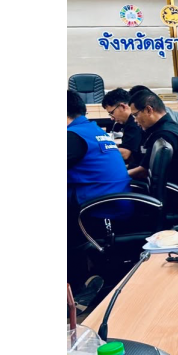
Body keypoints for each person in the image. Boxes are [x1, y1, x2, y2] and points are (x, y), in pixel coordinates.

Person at [68, 90, 131, 304]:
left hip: (99, 210)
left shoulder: (73, 137)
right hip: (112, 203)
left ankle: (76, 290)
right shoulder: (92, 130)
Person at [127, 90, 178, 185]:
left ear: (148, 110)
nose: (135, 120)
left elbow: (144, 171)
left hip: (160, 188)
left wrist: (116, 176)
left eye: (135, 115)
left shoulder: (162, 135)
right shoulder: (172, 126)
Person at [101, 88, 142, 167]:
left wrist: (98, 149)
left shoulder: (134, 123)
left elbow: (125, 153)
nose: (112, 118)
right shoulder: (130, 121)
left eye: (111, 113)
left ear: (122, 106)